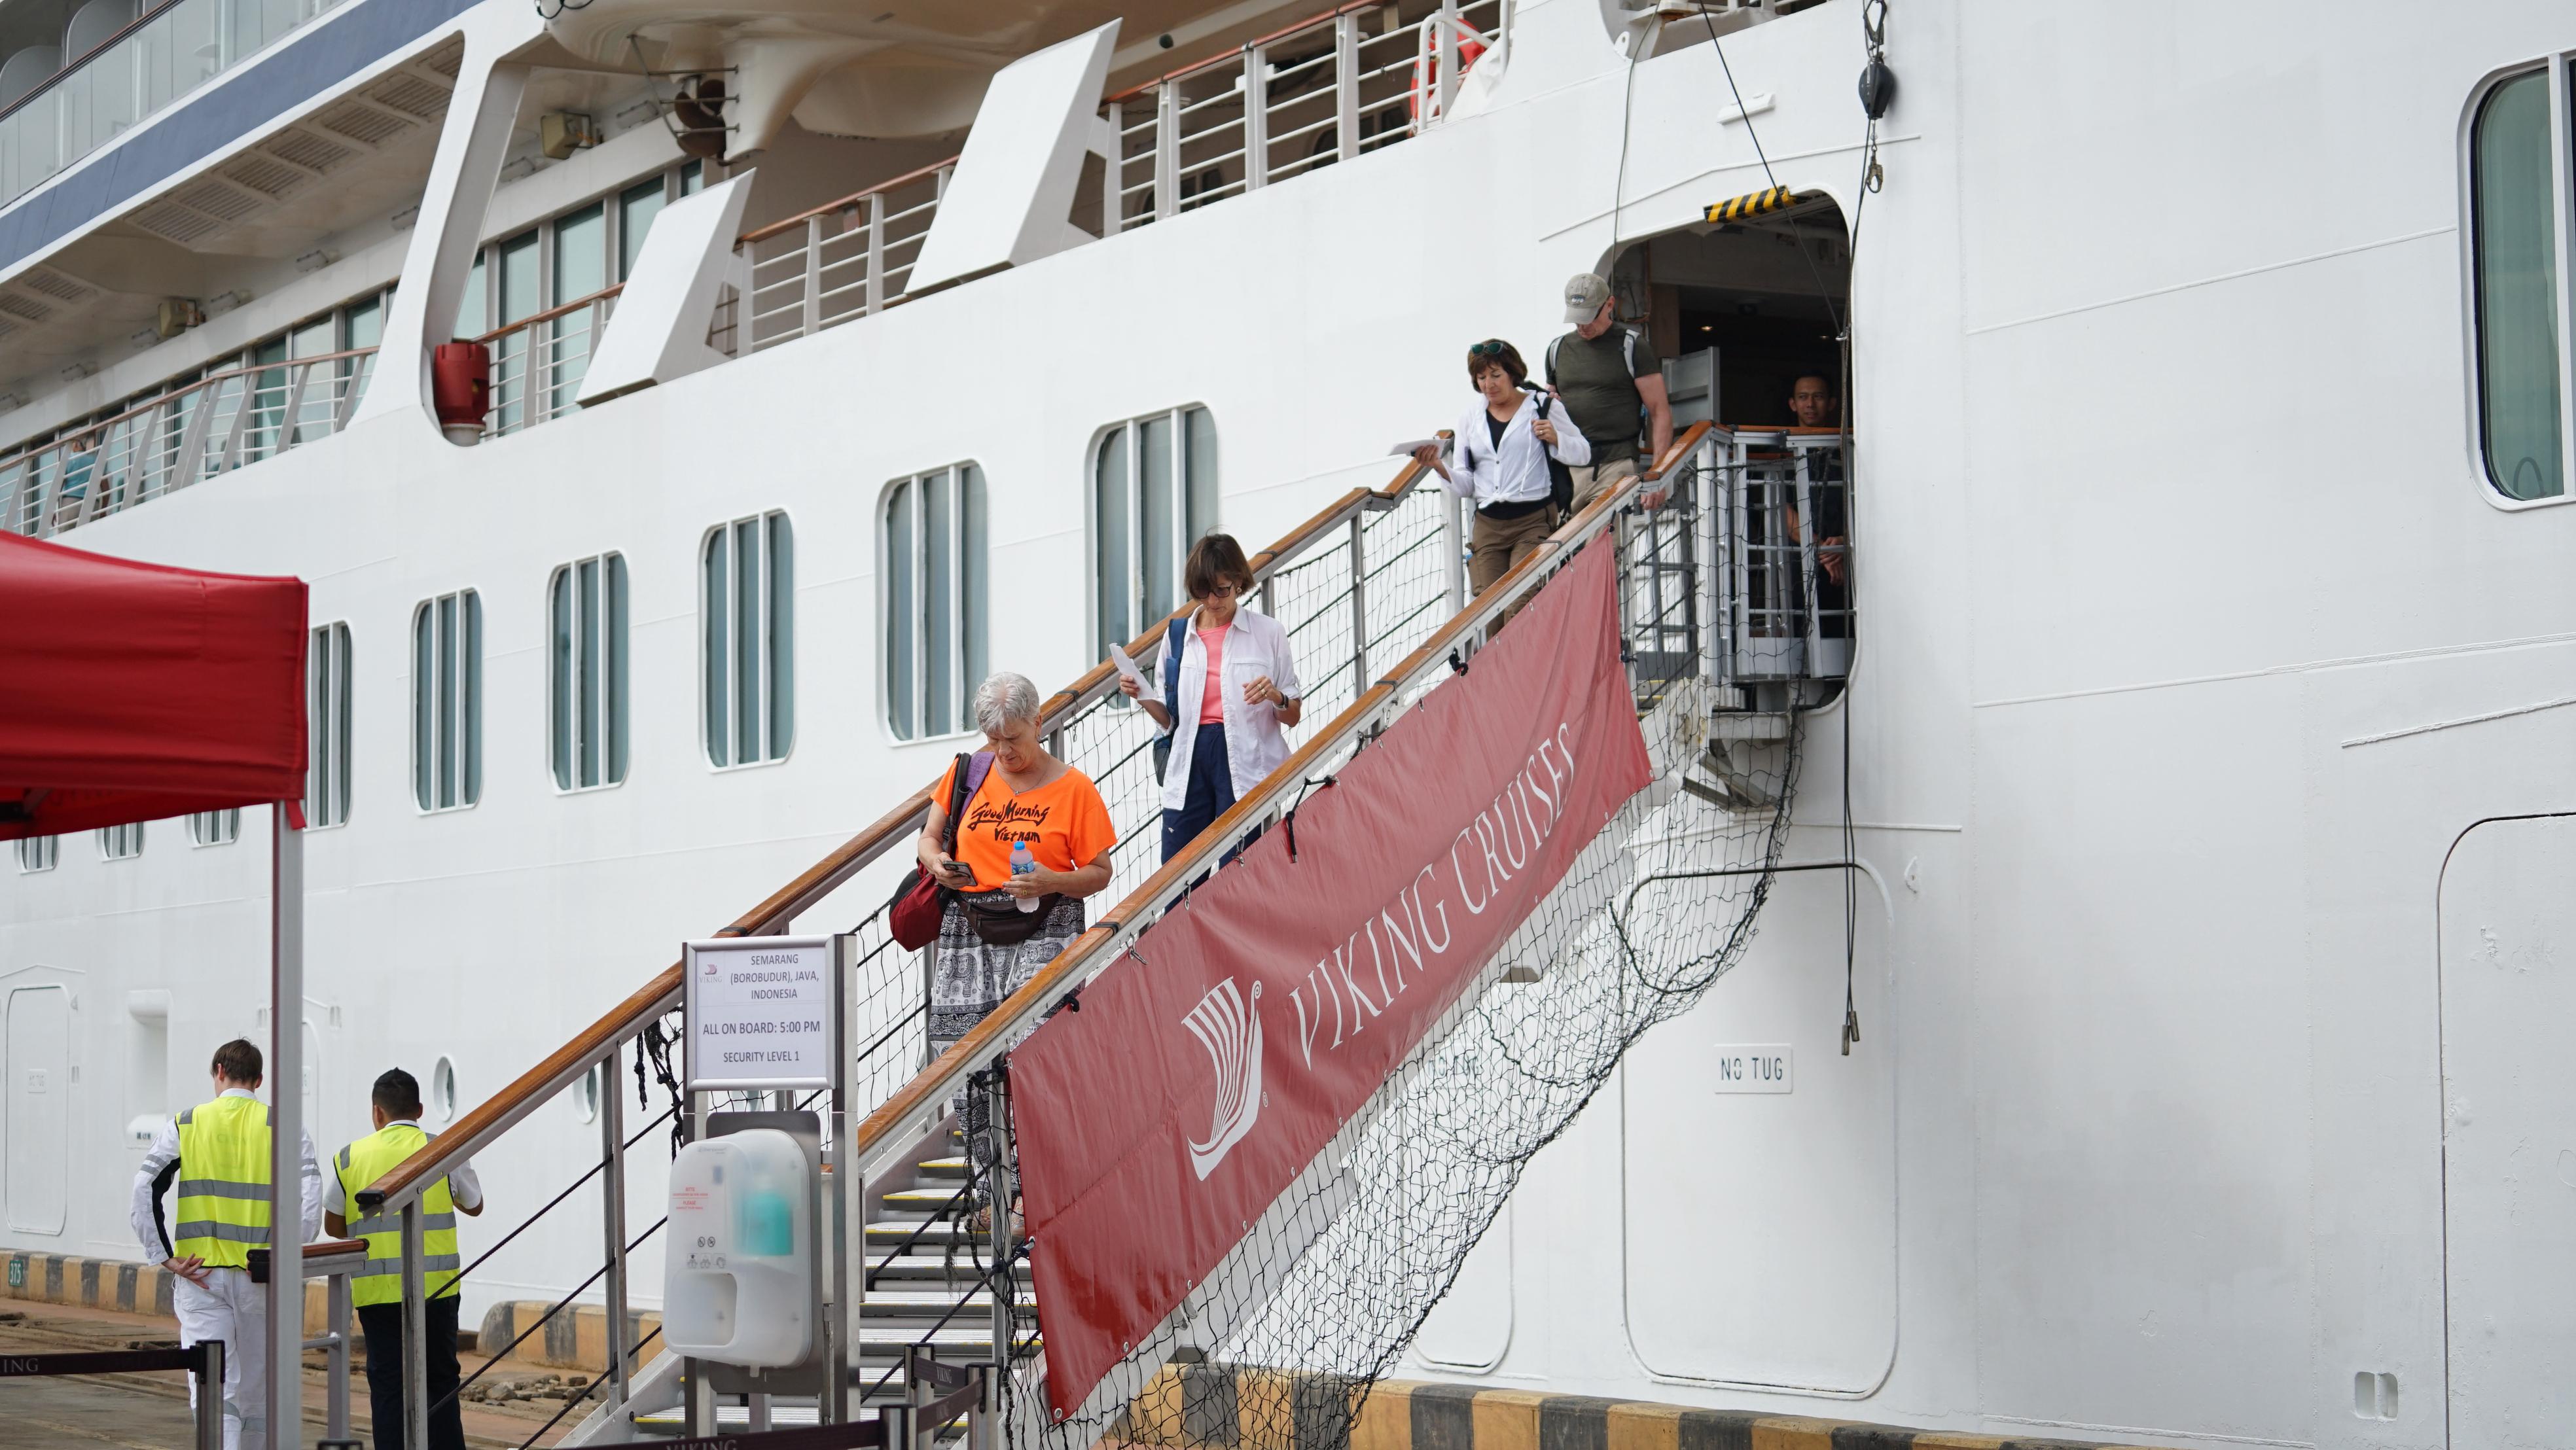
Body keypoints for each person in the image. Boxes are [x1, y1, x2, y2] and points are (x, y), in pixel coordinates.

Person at [916, 672, 1118, 1199]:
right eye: (994, 740)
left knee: (1034, 1045)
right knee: (959, 1052)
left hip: (1046, 919)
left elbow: (1100, 872)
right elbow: (929, 837)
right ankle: (989, 1191)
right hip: (970, 924)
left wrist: (1052, 879)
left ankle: (1040, 1184)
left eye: (1014, 739)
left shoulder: (1075, 789)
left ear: (1039, 723)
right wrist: (938, 864)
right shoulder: (968, 772)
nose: (1004, 752)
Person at [130, 1038, 321, 1450]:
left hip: (201, 1278)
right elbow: (309, 1200)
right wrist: (285, 1259)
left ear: (218, 1071)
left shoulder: (186, 1123)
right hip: (261, 1280)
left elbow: (144, 1188)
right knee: (256, 1390)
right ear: (259, 1080)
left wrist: (163, 1256)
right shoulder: (283, 1125)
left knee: (212, 1383)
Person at [1118, 534, 1304, 862]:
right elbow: (1170, 721)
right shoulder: (1177, 636)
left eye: (1222, 590)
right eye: (1203, 592)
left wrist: (1274, 696)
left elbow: (1293, 715)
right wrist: (1141, 696)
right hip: (1189, 760)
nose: (1213, 601)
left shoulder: (1268, 632)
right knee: (1179, 871)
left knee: (1241, 867)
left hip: (1246, 762)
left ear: (1239, 581)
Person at [325, 1069, 485, 1450]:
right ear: (420, 1110)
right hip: (437, 1290)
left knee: (388, 1387)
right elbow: (475, 1204)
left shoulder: (350, 1156)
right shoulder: (444, 1148)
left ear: (377, 1112)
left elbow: (333, 1225)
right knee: (441, 1381)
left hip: (377, 1293)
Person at [1414, 339, 1591, 603]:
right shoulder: (1470, 418)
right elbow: (1466, 486)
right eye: (1481, 378)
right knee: (1488, 611)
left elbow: (1584, 453)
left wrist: (1556, 438)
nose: (1489, 384)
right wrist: (1439, 466)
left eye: (1496, 375)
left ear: (1512, 373)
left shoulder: (1543, 406)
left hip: (1533, 521)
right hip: (1488, 527)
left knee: (1521, 603)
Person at [1549, 273, 1673, 512]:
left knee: (1605, 535)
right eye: (1576, 318)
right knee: (1562, 536)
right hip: (1567, 465)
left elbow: (1660, 411)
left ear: (1609, 304)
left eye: (1589, 317)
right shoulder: (1557, 349)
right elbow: (1550, 404)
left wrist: (1659, 473)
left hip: (1615, 463)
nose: (1583, 326)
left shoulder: (1632, 345)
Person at [1783, 373, 1848, 585]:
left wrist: (1845, 541)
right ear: (1793, 404)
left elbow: (1865, 507)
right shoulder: (1781, 453)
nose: (1810, 404)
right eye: (1803, 397)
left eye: (1818, 396)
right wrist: (1823, 550)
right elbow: (1782, 511)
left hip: (1848, 558)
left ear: (1831, 403)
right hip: (1797, 562)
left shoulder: (1849, 451)